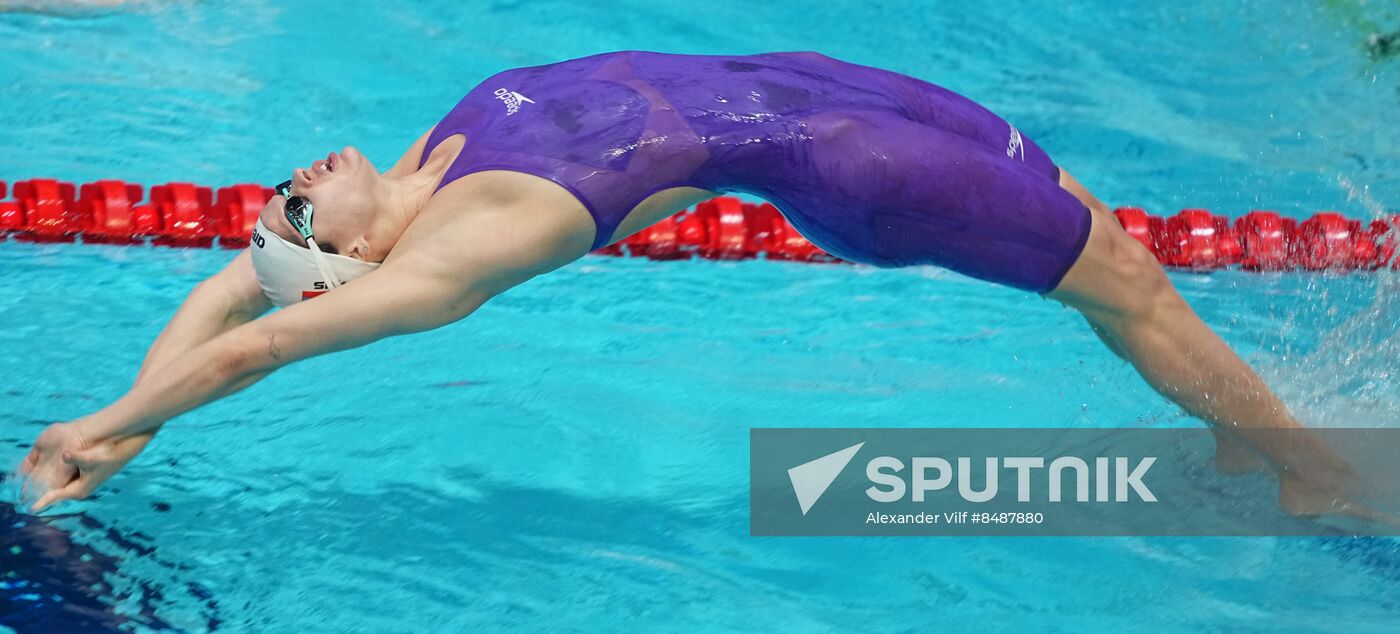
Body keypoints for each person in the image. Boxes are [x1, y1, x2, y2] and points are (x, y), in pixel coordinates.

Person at [14, 51, 1356, 515]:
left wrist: (122, 412)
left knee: (1089, 222)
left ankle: (1273, 440)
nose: (296, 177)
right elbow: (256, 343)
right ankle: (1306, 467)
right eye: (297, 208)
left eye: (279, 197)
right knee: (1126, 284)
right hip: (849, 163)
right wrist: (104, 427)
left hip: (829, 89)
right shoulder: (450, 251)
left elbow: (231, 296)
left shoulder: (424, 158)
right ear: (346, 259)